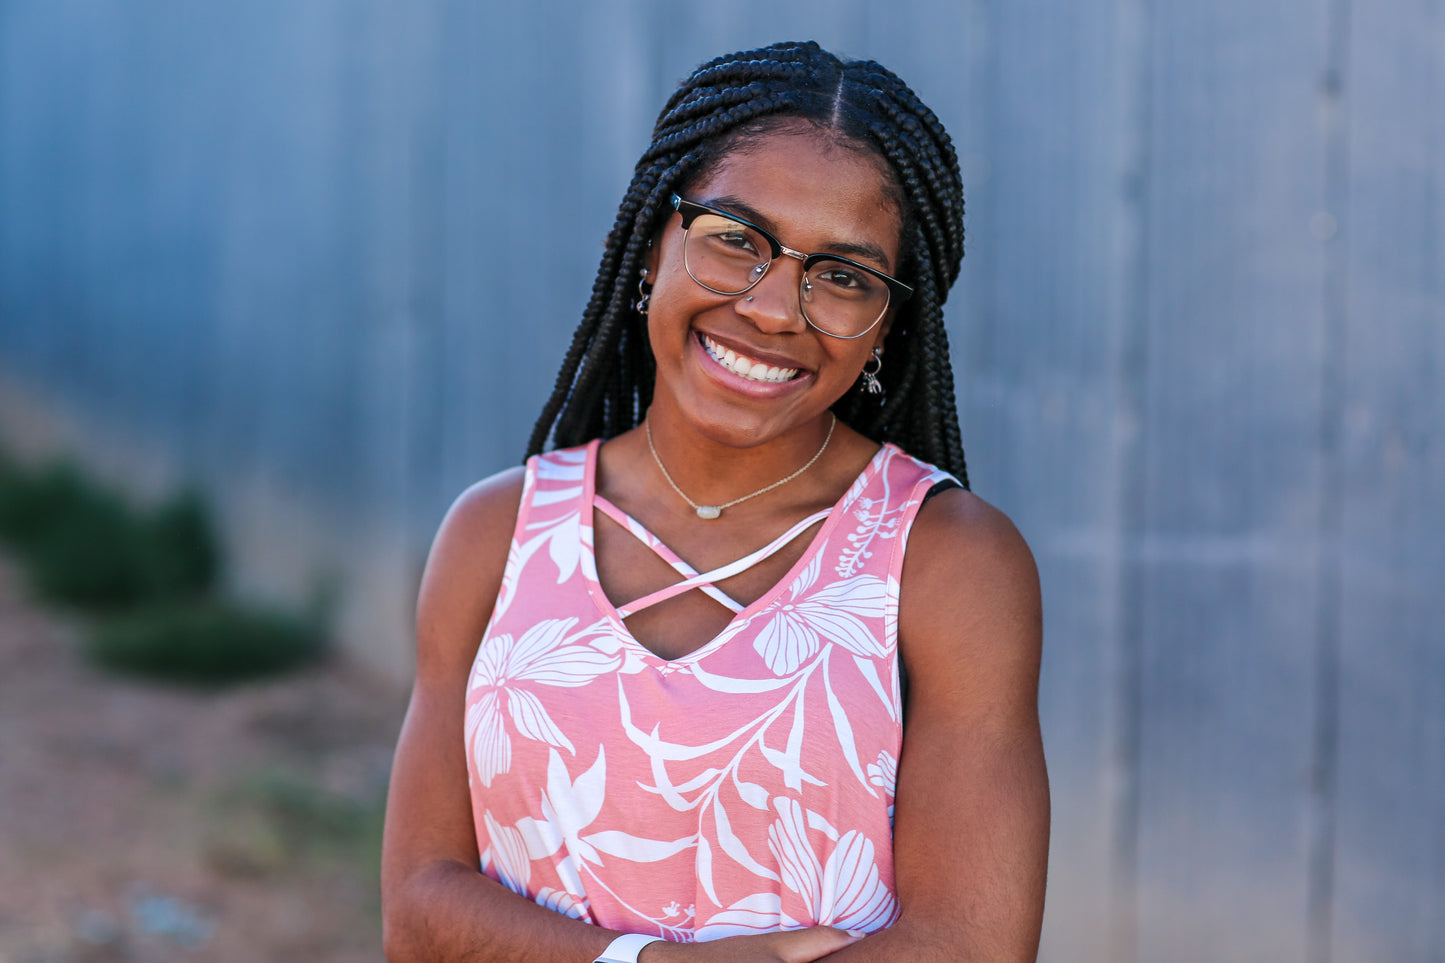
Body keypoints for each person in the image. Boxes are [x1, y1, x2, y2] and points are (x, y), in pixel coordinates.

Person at [382, 40, 1048, 963]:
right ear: (652, 246)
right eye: (735, 238)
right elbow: (420, 912)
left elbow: (971, 946)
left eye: (843, 275)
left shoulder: (944, 562)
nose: (775, 308)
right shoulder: (496, 535)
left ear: (888, 327)